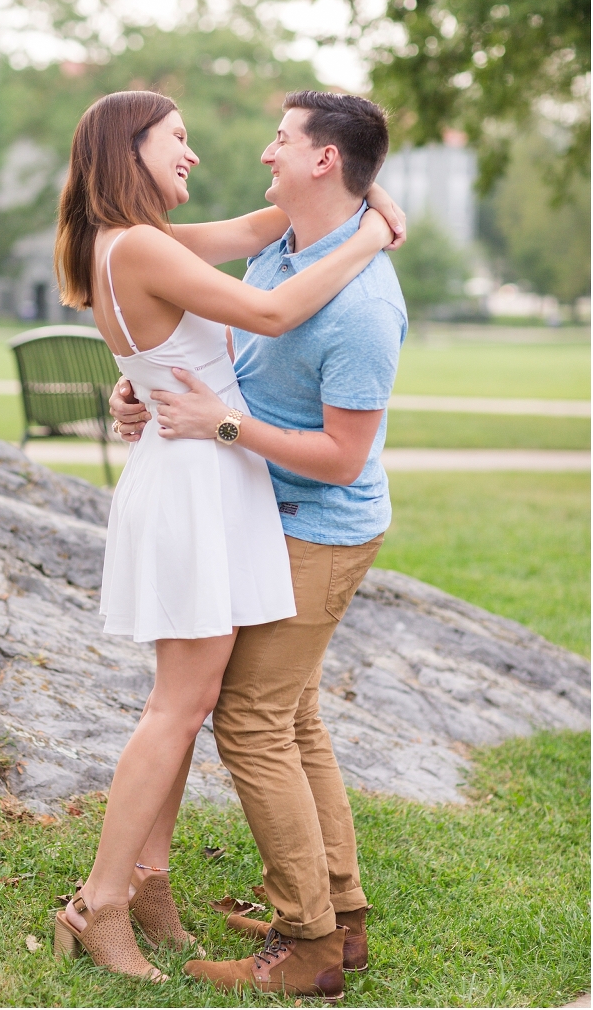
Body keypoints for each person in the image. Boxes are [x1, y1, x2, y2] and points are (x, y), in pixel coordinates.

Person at [51, 89, 401, 987]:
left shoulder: (139, 241)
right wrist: (367, 237)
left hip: (206, 479)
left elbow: (257, 228)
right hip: (199, 484)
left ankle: (150, 879)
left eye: (277, 140)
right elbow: (275, 315)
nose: (198, 153)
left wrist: (360, 206)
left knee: (192, 704)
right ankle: (100, 901)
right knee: (180, 708)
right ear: (131, 151)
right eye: (178, 138)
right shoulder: (138, 248)